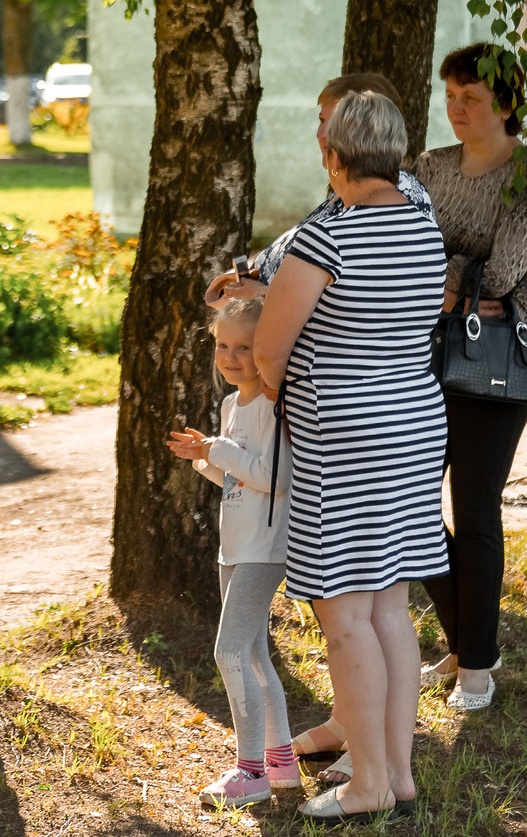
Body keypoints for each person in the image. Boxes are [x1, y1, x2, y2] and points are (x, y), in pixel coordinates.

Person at [251, 90, 449, 823]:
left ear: (332, 152)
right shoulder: (422, 224)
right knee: (390, 603)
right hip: (414, 426)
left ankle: (365, 782)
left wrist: (288, 387)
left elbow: (269, 349)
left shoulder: (325, 240)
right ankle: (395, 771)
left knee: (343, 615)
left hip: (345, 438)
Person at [412, 41, 527, 712]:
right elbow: (400, 250)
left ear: (504, 102)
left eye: (469, 97)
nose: (455, 108)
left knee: (472, 506)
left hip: (495, 359)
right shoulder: (428, 167)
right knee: (412, 508)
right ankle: (468, 641)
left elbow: (503, 275)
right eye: (450, 95)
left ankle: (476, 668)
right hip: (417, 351)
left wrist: (446, 273)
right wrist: (457, 274)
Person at [164, 297, 297, 808]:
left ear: (266, 348)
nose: (231, 355)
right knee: (255, 653)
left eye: (244, 346)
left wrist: (218, 449)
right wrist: (204, 458)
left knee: (229, 651)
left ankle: (250, 772)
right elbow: (238, 478)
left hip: (266, 547)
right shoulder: (230, 406)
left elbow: (274, 478)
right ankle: (281, 762)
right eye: (223, 345)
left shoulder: (273, 402)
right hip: (235, 546)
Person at [205, 72, 430, 310]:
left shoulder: (401, 194)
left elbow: (366, 294)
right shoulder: (349, 194)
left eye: (334, 124)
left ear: (375, 128)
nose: (321, 134)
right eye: (322, 120)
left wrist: (261, 293)